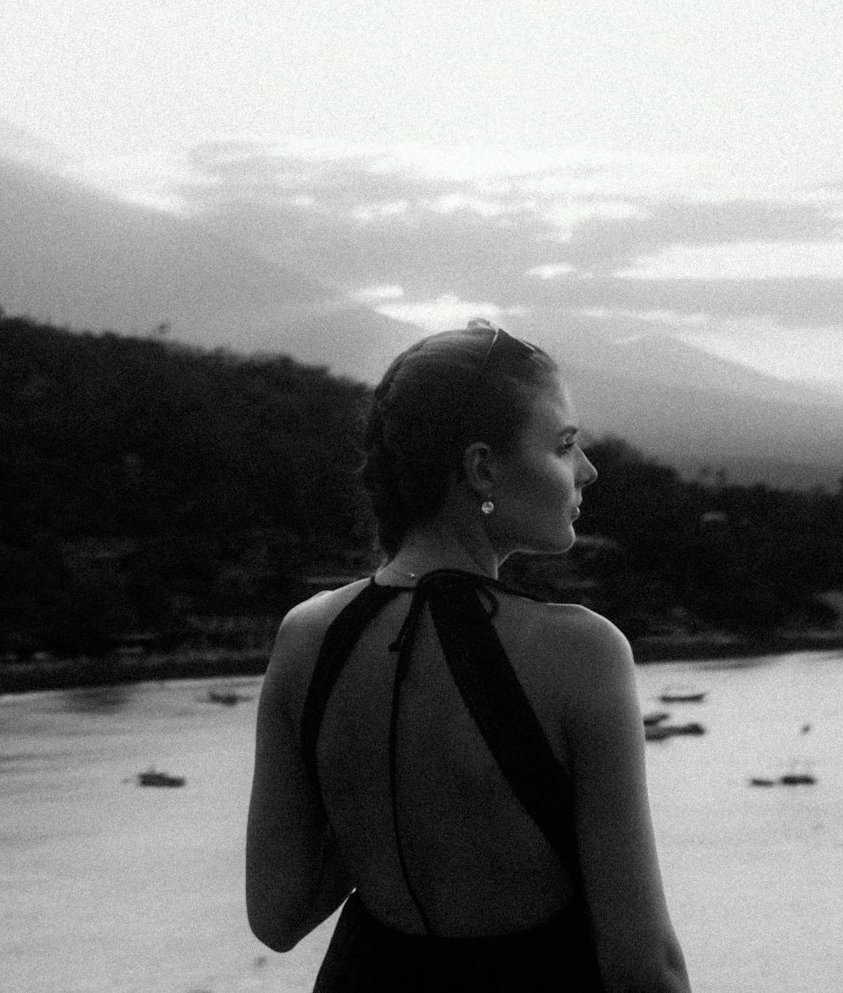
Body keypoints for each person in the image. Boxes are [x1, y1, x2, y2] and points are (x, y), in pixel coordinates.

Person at [246, 320, 691, 992]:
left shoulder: (308, 635)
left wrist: (378, 789)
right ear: (482, 467)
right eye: (565, 445)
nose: (588, 470)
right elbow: (643, 967)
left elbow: (276, 917)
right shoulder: (580, 651)